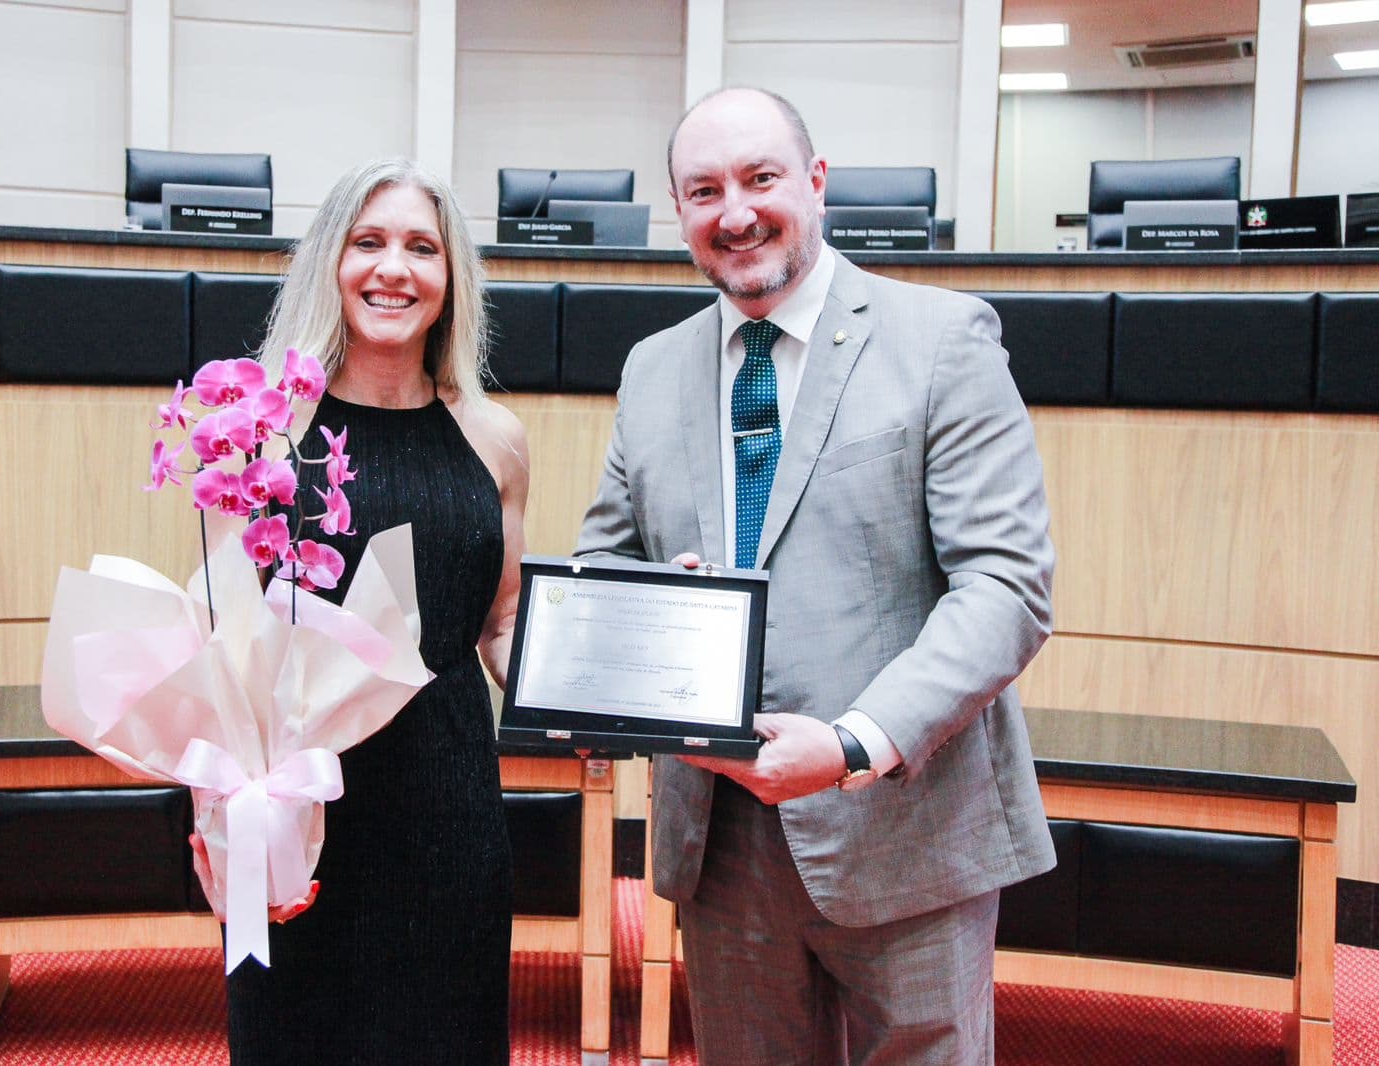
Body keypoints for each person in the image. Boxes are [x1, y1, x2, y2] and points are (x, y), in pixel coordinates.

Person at [574, 88, 1056, 1065]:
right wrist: (642, 620)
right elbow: (605, 563)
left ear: (817, 181)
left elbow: (1005, 586)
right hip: (722, 844)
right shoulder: (653, 370)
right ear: (679, 211)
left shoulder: (942, 339)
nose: (735, 213)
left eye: (760, 178)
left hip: (904, 827)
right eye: (704, 190)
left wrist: (850, 744)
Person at [221, 158, 529, 1064]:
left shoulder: (495, 438)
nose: (394, 268)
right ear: (332, 261)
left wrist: (588, 688)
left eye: (422, 248)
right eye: (369, 242)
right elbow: (227, 641)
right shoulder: (266, 431)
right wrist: (222, 823)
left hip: (449, 803)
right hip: (304, 809)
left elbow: (501, 623)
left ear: (450, 277)